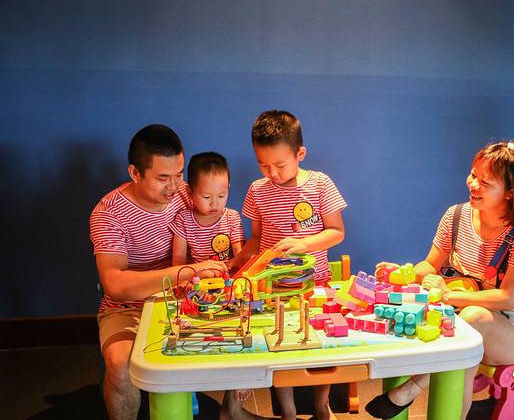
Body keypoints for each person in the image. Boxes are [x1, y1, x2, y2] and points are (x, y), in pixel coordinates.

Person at [365, 137, 514, 419]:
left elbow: (507, 298)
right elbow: (430, 264)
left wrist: (448, 294)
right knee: (443, 325)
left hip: (513, 330)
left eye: (486, 182)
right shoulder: (456, 215)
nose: (473, 185)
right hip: (458, 317)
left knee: (472, 321)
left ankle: (414, 386)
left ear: (510, 192)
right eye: (473, 175)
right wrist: (402, 272)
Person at [89, 125, 234, 420]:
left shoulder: (186, 193)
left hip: (186, 297)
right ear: (135, 173)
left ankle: (233, 412)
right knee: (119, 364)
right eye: (163, 178)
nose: (174, 186)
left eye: (179, 174)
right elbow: (115, 284)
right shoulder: (108, 213)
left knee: (239, 331)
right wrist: (185, 272)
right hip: (127, 307)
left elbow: (220, 222)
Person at [232, 110, 347, 420]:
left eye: (280, 165)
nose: (272, 173)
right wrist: (237, 263)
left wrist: (304, 244)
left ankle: (322, 406)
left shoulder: (320, 184)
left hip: (315, 284)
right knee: (279, 347)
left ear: (300, 154)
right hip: (274, 288)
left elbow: (337, 232)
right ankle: (289, 412)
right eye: (263, 165)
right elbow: (256, 239)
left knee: (321, 348)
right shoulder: (257, 190)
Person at [168, 151, 255, 414]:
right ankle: (190, 387)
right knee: (191, 336)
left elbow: (240, 258)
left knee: (240, 330)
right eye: (206, 197)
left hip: (227, 289)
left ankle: (239, 380)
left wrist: (230, 268)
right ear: (191, 192)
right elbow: (178, 263)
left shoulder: (231, 218)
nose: (215, 203)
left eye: (222, 195)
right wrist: (194, 276)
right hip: (196, 290)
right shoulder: (183, 219)